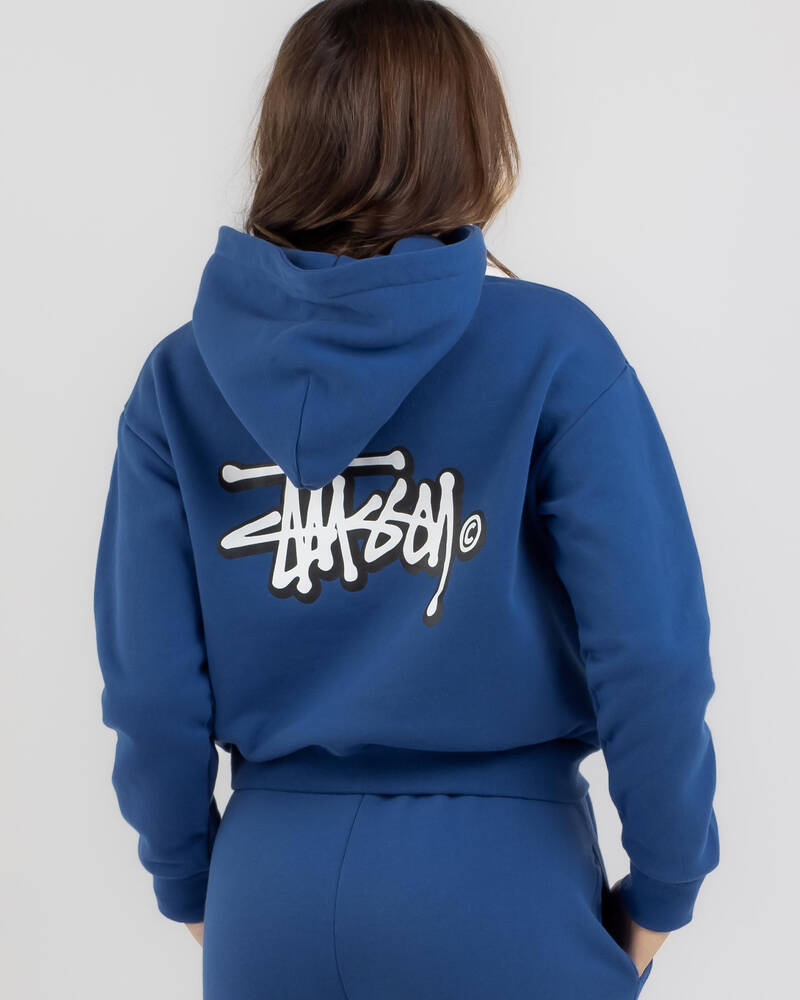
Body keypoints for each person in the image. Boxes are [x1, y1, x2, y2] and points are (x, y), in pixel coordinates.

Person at [94, 2, 718, 997]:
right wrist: (664, 887)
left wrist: (195, 884)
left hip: (269, 897)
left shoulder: (178, 380)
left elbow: (151, 691)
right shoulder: (554, 351)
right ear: (470, 141)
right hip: (503, 892)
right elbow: (650, 653)